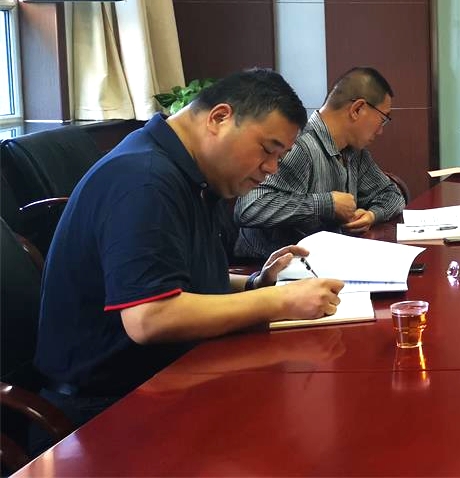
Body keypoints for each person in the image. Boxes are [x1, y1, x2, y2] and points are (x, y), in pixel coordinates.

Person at [33, 69, 345, 429]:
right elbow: (149, 317)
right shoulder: (144, 180)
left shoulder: (190, 172)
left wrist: (254, 284)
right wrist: (280, 301)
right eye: (267, 150)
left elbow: (174, 277)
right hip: (105, 411)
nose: (271, 169)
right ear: (219, 118)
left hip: (164, 378)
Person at [233, 67, 405, 258]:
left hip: (328, 262)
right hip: (268, 267)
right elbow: (250, 207)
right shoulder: (299, 145)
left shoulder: (354, 151)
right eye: (383, 119)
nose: (380, 130)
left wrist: (372, 215)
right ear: (357, 109)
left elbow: (392, 195)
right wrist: (327, 204)